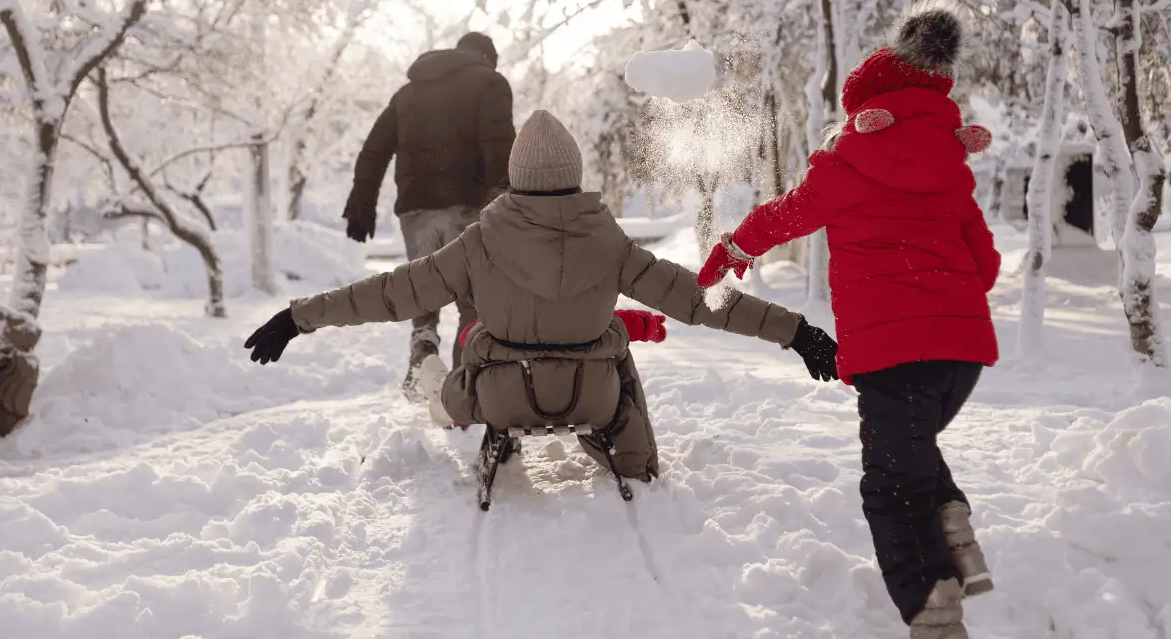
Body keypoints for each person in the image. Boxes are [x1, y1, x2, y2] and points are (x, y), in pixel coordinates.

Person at [245, 110, 840, 481]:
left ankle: (430, 382)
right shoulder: (611, 242)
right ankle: (632, 454)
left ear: (518, 176)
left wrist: (299, 318)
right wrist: (797, 331)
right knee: (614, 344)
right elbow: (702, 300)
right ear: (575, 174)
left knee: (456, 364)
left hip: (500, 400)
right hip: (595, 398)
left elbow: (393, 292)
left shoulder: (480, 241)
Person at [698, 0, 999, 639]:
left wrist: (733, 250)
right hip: (962, 353)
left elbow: (785, 215)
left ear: (866, 106)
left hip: (894, 356)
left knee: (889, 484)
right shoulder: (950, 167)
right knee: (910, 447)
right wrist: (948, 309)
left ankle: (932, 607)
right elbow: (986, 260)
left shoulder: (849, 164)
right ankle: (954, 528)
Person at [340, 32, 515, 401]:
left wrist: (362, 202)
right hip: (468, 207)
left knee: (425, 290)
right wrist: (507, 207)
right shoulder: (490, 82)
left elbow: (374, 150)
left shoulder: (408, 93)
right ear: (487, 57)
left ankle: (423, 350)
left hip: (416, 211)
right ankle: (462, 391)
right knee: (474, 300)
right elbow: (499, 147)